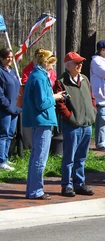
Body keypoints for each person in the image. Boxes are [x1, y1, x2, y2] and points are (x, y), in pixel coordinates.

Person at [23, 50, 65, 200]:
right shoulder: (40, 77)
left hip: (40, 120)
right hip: (43, 120)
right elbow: (42, 103)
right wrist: (55, 97)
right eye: (52, 64)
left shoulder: (36, 75)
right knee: (40, 157)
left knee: (36, 156)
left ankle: (32, 190)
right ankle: (36, 191)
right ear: (46, 63)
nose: (53, 68)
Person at [54, 51, 97, 197]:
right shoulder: (61, 82)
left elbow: (91, 98)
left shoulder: (84, 79)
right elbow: (60, 104)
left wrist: (93, 112)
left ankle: (79, 183)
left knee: (81, 157)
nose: (80, 65)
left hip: (87, 124)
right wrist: (70, 118)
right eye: (76, 63)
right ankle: (66, 185)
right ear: (68, 65)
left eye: (81, 62)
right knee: (69, 157)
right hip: (72, 125)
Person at [0, 48, 21, 171]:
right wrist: (6, 104)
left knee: (10, 134)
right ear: (1, 58)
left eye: (11, 57)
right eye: (7, 57)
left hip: (14, 109)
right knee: (3, 134)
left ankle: (5, 158)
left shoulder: (12, 72)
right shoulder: (0, 72)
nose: (10, 59)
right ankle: (1, 161)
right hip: (5, 108)